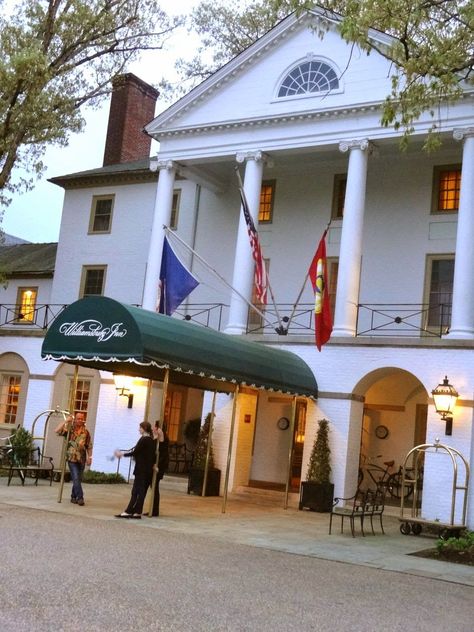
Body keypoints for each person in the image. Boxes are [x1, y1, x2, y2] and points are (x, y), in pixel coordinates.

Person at [114, 421, 155, 519]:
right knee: (140, 492)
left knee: (136, 491)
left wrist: (122, 454)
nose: (139, 429)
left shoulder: (144, 440)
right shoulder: (151, 440)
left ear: (144, 428)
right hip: (146, 469)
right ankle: (137, 512)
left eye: (140, 428)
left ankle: (129, 511)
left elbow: (135, 452)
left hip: (141, 469)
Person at [55, 412, 92, 506]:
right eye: (78, 418)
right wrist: (66, 421)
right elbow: (57, 430)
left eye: (81, 419)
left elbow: (89, 446)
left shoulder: (86, 432)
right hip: (72, 458)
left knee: (78, 479)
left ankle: (73, 496)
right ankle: (80, 497)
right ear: (75, 419)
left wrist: (90, 457)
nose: (80, 420)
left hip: (82, 458)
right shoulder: (69, 430)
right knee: (75, 477)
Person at [151, 420, 169, 517]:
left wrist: (157, 465)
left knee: (155, 487)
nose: (153, 428)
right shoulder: (157, 438)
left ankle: (154, 510)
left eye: (155, 426)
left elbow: (163, 454)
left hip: (159, 466)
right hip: (155, 465)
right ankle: (153, 509)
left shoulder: (164, 439)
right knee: (153, 487)